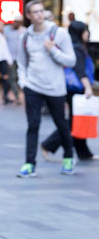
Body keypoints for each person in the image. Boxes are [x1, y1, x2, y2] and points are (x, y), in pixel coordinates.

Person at [16, 0, 78, 177]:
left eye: (41, 11)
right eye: (35, 12)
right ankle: (29, 164)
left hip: (55, 87)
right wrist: (23, 82)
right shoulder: (25, 37)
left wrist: (53, 50)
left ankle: (68, 157)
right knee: (33, 125)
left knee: (61, 123)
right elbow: (21, 62)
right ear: (28, 16)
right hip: (33, 86)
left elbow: (71, 60)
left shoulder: (58, 34)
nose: (39, 15)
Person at [42, 20, 95, 161]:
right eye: (85, 30)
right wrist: (88, 87)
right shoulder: (77, 48)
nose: (87, 33)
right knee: (73, 121)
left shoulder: (73, 46)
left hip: (71, 87)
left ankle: (83, 152)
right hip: (75, 88)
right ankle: (48, 144)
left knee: (76, 119)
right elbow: (79, 70)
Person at [4, 16, 26, 103]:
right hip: (10, 58)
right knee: (11, 77)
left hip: (21, 58)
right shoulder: (7, 30)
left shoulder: (24, 30)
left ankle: (5, 95)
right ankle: (17, 96)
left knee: (18, 77)